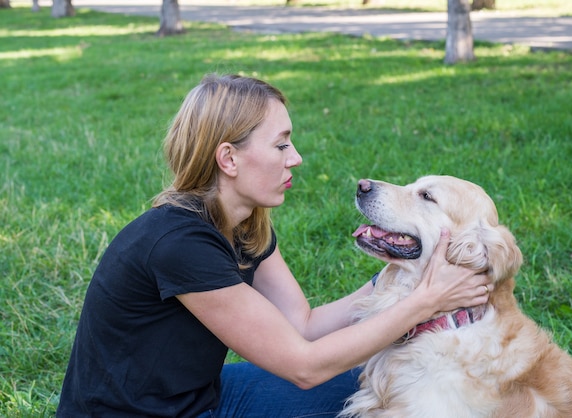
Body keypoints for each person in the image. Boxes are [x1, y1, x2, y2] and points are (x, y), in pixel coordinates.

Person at [57, 74, 492, 418]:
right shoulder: (179, 243)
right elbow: (304, 366)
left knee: (387, 381)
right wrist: (427, 300)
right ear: (228, 159)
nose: (296, 157)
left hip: (196, 396)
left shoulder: (246, 224)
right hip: (150, 414)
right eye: (281, 144)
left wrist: (394, 276)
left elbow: (302, 325)